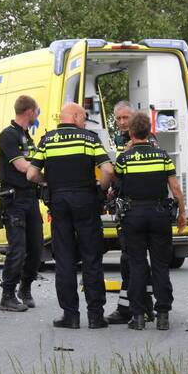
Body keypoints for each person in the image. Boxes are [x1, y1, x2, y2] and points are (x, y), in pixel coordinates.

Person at [27, 102, 114, 329]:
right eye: (83, 117)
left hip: (59, 202)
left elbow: (31, 173)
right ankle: (95, 316)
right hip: (86, 200)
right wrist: (101, 189)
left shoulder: (47, 140)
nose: (84, 122)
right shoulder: (89, 138)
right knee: (91, 258)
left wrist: (47, 180)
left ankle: (70, 315)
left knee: (64, 259)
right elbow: (108, 170)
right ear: (75, 116)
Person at [113, 111, 187, 330]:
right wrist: (182, 213)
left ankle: (137, 316)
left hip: (133, 215)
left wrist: (126, 152)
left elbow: (116, 180)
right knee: (160, 266)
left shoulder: (124, 158)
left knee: (136, 266)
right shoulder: (163, 156)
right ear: (149, 132)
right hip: (159, 215)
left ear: (132, 132)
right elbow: (175, 188)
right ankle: (162, 314)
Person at [107, 100, 155, 324]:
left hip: (137, 209)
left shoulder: (146, 140)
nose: (123, 122)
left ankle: (142, 306)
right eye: (118, 119)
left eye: (126, 117)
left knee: (133, 260)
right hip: (123, 205)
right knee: (129, 260)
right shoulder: (119, 140)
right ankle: (131, 305)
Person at [0, 94, 43, 312]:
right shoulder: (8, 135)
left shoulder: (27, 136)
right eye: (36, 111)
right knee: (18, 248)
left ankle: (25, 288)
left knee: (36, 247)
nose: (37, 115)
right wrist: (45, 176)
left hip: (31, 198)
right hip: (14, 200)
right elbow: (23, 167)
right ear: (30, 111)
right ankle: (8, 295)